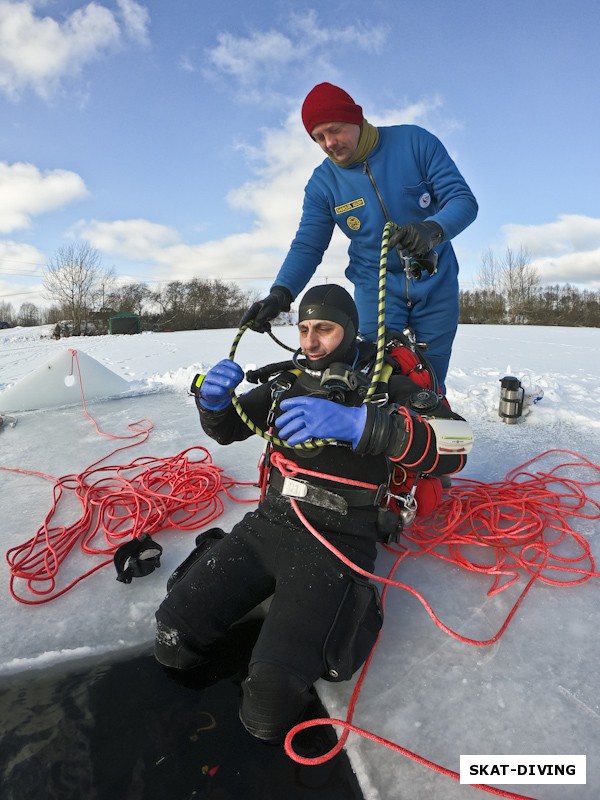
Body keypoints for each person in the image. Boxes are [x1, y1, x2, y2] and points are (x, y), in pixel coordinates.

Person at [154, 284, 472, 743]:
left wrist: (366, 425)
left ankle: (355, 610)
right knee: (172, 638)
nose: (310, 341)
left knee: (269, 705)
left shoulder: (387, 389)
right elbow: (229, 429)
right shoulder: (286, 382)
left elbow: (457, 448)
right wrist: (214, 404)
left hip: (339, 540)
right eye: (303, 329)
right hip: (270, 523)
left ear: (350, 330)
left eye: (323, 328)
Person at [241, 82, 478, 390]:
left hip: (434, 276)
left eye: (334, 130)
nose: (328, 143)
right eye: (318, 138)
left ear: (356, 118)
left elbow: (462, 200)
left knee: (430, 373)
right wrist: (281, 293)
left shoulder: (415, 143)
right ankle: (380, 432)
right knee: (374, 371)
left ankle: (428, 429)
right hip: (374, 283)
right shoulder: (322, 184)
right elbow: (308, 245)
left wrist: (431, 229)